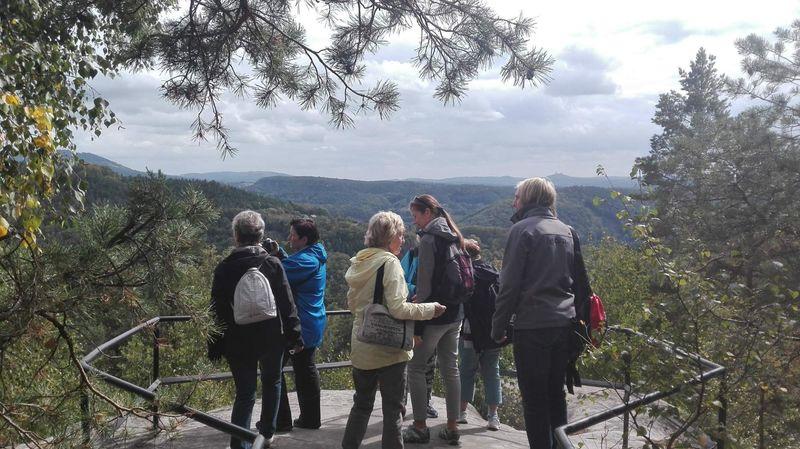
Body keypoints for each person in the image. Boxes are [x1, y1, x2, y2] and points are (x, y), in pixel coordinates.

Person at [491, 178, 589, 449]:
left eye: (517, 197)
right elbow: (578, 281)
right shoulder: (567, 230)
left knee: (534, 403)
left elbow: (509, 287)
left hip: (533, 327)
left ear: (529, 199)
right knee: (556, 396)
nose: (513, 202)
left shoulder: (522, 231)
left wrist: (497, 328)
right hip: (564, 326)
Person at [341, 211, 446, 449]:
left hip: (362, 345)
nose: (403, 239)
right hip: (389, 351)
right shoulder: (390, 263)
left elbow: (352, 305)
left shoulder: (359, 261)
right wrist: (429, 309)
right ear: (390, 237)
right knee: (393, 411)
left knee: (361, 405)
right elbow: (399, 309)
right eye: (400, 234)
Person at [208, 210, 304, 449]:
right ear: (260, 235)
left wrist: (216, 344)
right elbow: (286, 303)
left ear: (236, 236)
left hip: (237, 339)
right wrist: (294, 335)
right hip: (271, 337)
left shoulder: (224, 268)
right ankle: (267, 434)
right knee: (272, 383)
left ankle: (239, 443)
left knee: (245, 393)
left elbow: (217, 310)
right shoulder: (272, 264)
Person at [403, 194, 465, 446]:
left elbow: (425, 287)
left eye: (416, 215)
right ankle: (452, 428)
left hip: (435, 314)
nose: (414, 221)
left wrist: (418, 325)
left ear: (428, 213)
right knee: (451, 369)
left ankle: (419, 427)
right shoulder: (454, 235)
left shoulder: (429, 240)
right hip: (456, 314)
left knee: (416, 367)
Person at [270, 218, 328, 431]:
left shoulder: (307, 261)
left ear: (304, 239)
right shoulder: (314, 255)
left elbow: (277, 272)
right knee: (305, 369)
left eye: (293, 235)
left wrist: (263, 255)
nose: (289, 238)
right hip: (311, 321)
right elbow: (291, 265)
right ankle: (310, 419)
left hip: (301, 324)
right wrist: (280, 253)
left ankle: (281, 420)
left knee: (273, 369)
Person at [457, 239, 508, 431]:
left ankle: (462, 413)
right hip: (494, 331)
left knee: (466, 371)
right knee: (491, 372)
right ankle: (493, 416)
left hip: (470, 331)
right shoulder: (494, 274)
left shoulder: (467, 274)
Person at [400, 245, 440, 420]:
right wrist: (416, 290)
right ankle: (402, 404)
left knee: (428, 362)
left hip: (430, 315)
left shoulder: (440, 254)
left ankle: (425, 402)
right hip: (413, 314)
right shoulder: (413, 253)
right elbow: (400, 280)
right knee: (405, 361)